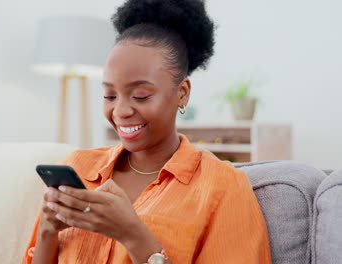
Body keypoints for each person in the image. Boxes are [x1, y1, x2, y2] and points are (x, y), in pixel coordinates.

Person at [21, 0, 272, 263]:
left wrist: (134, 236)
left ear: (182, 93)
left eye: (140, 96)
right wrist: (47, 233)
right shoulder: (79, 167)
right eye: (109, 95)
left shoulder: (221, 186)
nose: (120, 111)